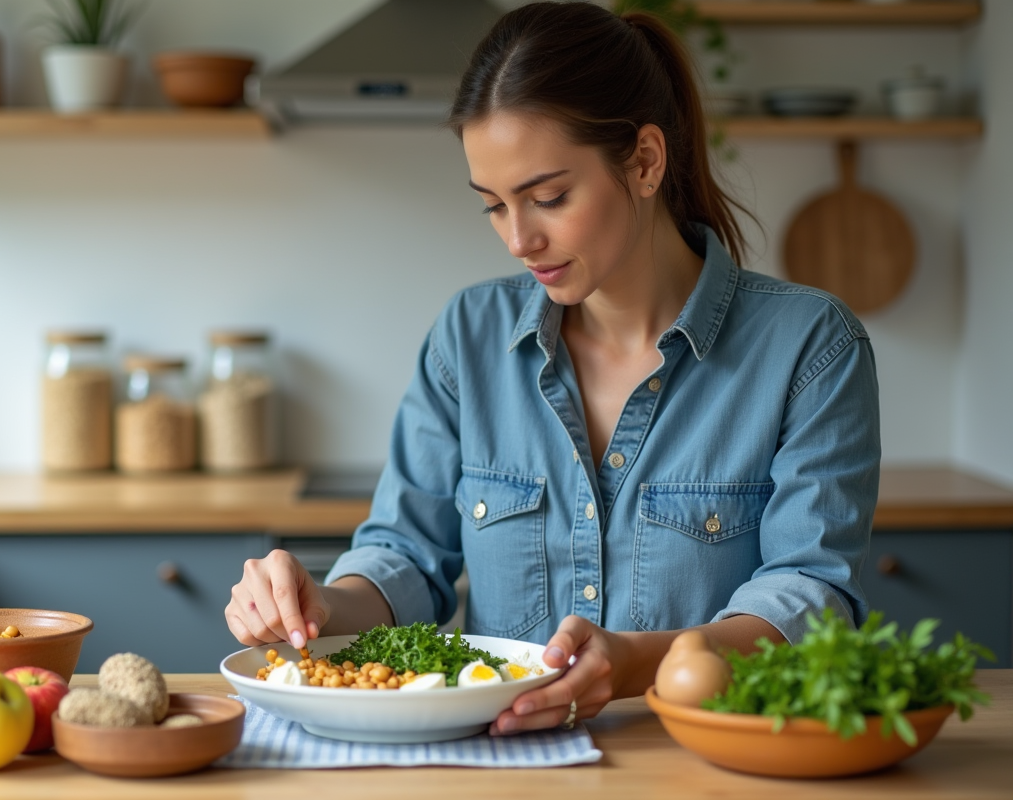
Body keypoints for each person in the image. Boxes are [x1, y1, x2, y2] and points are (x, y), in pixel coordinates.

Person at [225, 1, 880, 735]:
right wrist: (318, 602)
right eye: (494, 207)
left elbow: (811, 594)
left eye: (548, 198)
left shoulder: (811, 346)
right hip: (498, 765)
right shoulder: (467, 337)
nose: (518, 238)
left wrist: (637, 662)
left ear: (644, 162)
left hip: (705, 763)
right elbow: (405, 555)